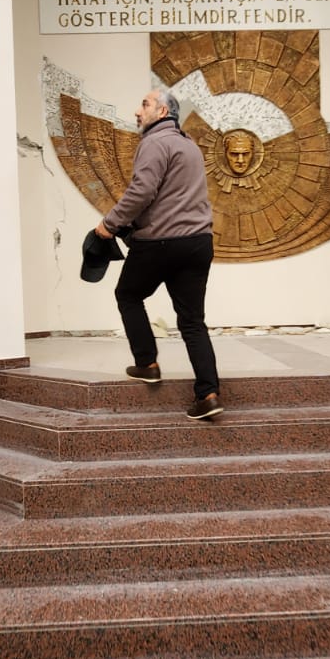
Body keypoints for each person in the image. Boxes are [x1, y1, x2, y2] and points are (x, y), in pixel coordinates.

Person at [95, 86, 222, 419]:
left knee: (128, 295)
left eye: (145, 104)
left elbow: (142, 191)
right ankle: (208, 394)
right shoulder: (189, 145)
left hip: (161, 243)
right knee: (192, 321)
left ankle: (147, 363)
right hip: (198, 242)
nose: (138, 111)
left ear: (162, 112)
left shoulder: (154, 142)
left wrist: (109, 225)